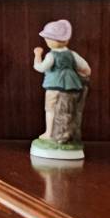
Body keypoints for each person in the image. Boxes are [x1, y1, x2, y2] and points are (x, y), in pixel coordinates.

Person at [31, 19, 93, 158]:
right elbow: (86, 69)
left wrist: (37, 55)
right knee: (69, 110)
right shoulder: (72, 54)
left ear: (51, 40)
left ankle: (50, 133)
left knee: (50, 109)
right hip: (72, 86)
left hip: (54, 86)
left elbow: (40, 68)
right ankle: (67, 134)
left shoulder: (51, 55)